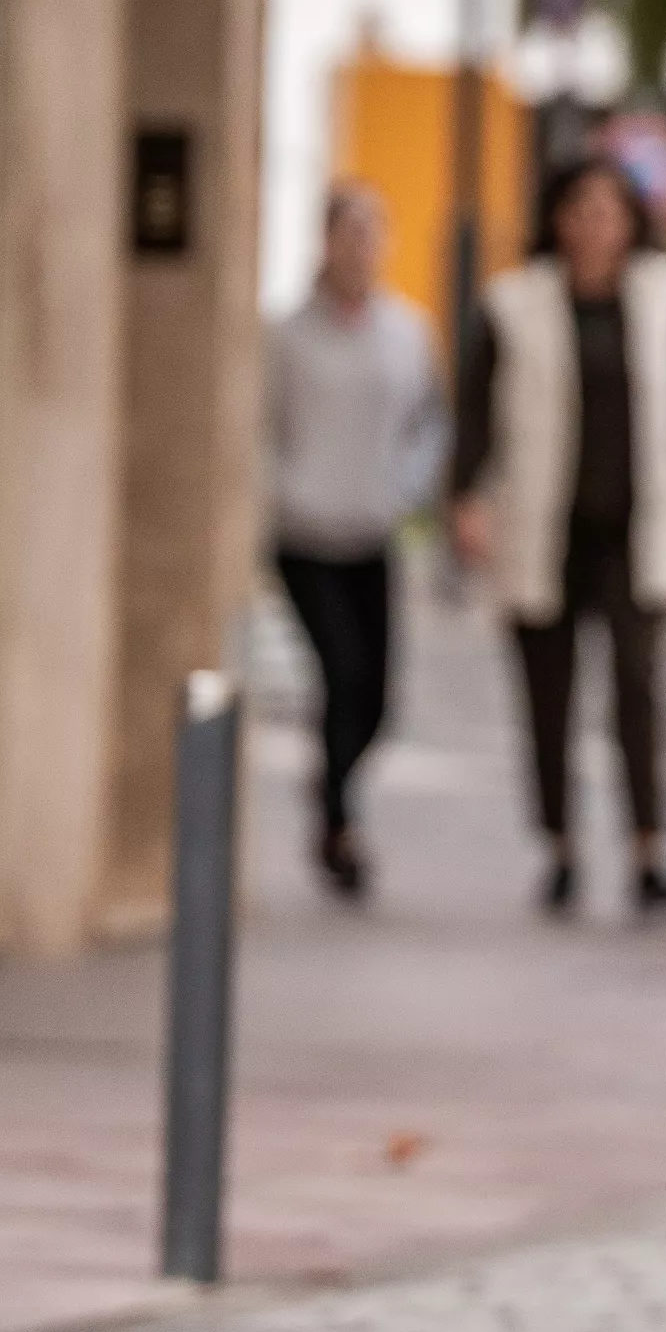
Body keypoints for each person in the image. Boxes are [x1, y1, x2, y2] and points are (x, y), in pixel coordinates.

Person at [452, 158, 666, 919]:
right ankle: (561, 847)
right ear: (556, 218)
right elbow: (475, 411)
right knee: (548, 696)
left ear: (633, 221)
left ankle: (647, 849)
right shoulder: (513, 304)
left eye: (610, 210)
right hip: (544, 527)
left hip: (639, 530)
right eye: (580, 208)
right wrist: (465, 495)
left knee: (638, 688)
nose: (596, 224)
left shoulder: (665, 298)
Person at [265, 182, 445, 901]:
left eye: (373, 234)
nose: (360, 248)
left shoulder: (407, 331)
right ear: (325, 241)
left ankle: (332, 783)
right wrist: (283, 490)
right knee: (340, 675)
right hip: (304, 536)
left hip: (372, 532)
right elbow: (261, 424)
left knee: (375, 698)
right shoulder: (285, 335)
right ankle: (339, 826)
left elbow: (429, 424)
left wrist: (408, 487)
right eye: (348, 233)